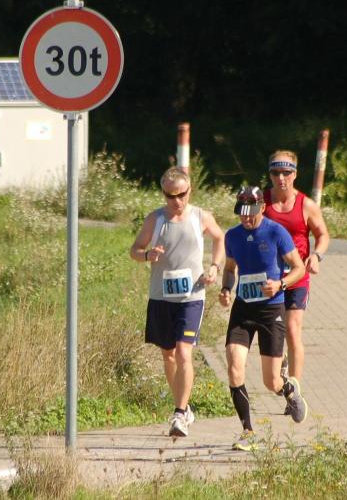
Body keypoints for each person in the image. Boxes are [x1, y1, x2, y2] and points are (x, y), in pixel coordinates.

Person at [130, 167, 225, 437]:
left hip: (192, 296)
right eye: (170, 196)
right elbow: (134, 250)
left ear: (189, 190)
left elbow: (220, 238)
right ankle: (184, 406)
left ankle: (180, 414)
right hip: (161, 296)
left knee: (184, 352)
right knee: (168, 354)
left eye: (181, 194)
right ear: (164, 194)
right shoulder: (155, 219)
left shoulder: (200, 217)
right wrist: (147, 255)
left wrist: (214, 267)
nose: (176, 201)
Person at [219, 186, 308, 451]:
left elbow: (299, 268)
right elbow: (230, 269)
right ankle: (247, 431)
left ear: (263, 208)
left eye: (251, 213)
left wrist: (280, 284)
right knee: (234, 366)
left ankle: (288, 390)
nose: (246, 218)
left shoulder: (276, 232)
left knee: (271, 382)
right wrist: (226, 289)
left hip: (271, 309)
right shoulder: (232, 236)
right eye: (242, 213)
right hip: (243, 309)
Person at [263, 150, 330, 414]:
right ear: (270, 174)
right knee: (272, 333)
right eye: (276, 172)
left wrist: (317, 256)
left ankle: (294, 390)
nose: (281, 178)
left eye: (286, 172)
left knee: (292, 330)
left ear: (295, 174)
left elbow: (323, 235)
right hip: (268, 279)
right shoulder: (262, 202)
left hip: (297, 276)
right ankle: (281, 366)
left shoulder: (306, 205)